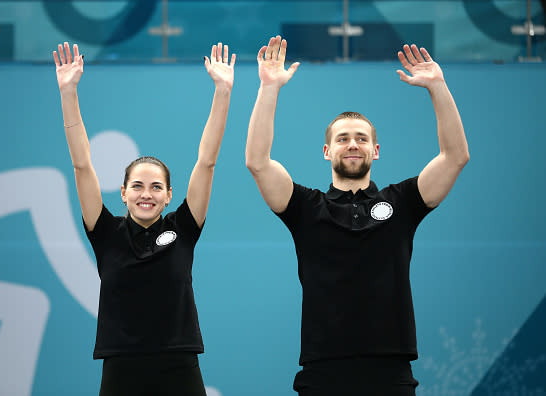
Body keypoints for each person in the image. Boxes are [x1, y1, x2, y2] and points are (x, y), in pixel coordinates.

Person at [245, 36, 469, 395]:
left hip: (391, 372)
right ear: (326, 150)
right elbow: (257, 162)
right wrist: (268, 88)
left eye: (362, 139)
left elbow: (455, 156)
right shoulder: (305, 207)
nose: (353, 144)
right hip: (323, 372)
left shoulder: (402, 202)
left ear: (376, 151)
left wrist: (438, 87)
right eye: (344, 138)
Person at [53, 41, 235, 396]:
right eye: (137, 186)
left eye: (156, 187)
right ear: (122, 193)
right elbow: (82, 164)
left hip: (179, 364)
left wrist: (223, 91)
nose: (146, 194)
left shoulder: (184, 227)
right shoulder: (105, 231)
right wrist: (68, 91)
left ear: (169, 195)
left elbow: (207, 162)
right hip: (121, 366)